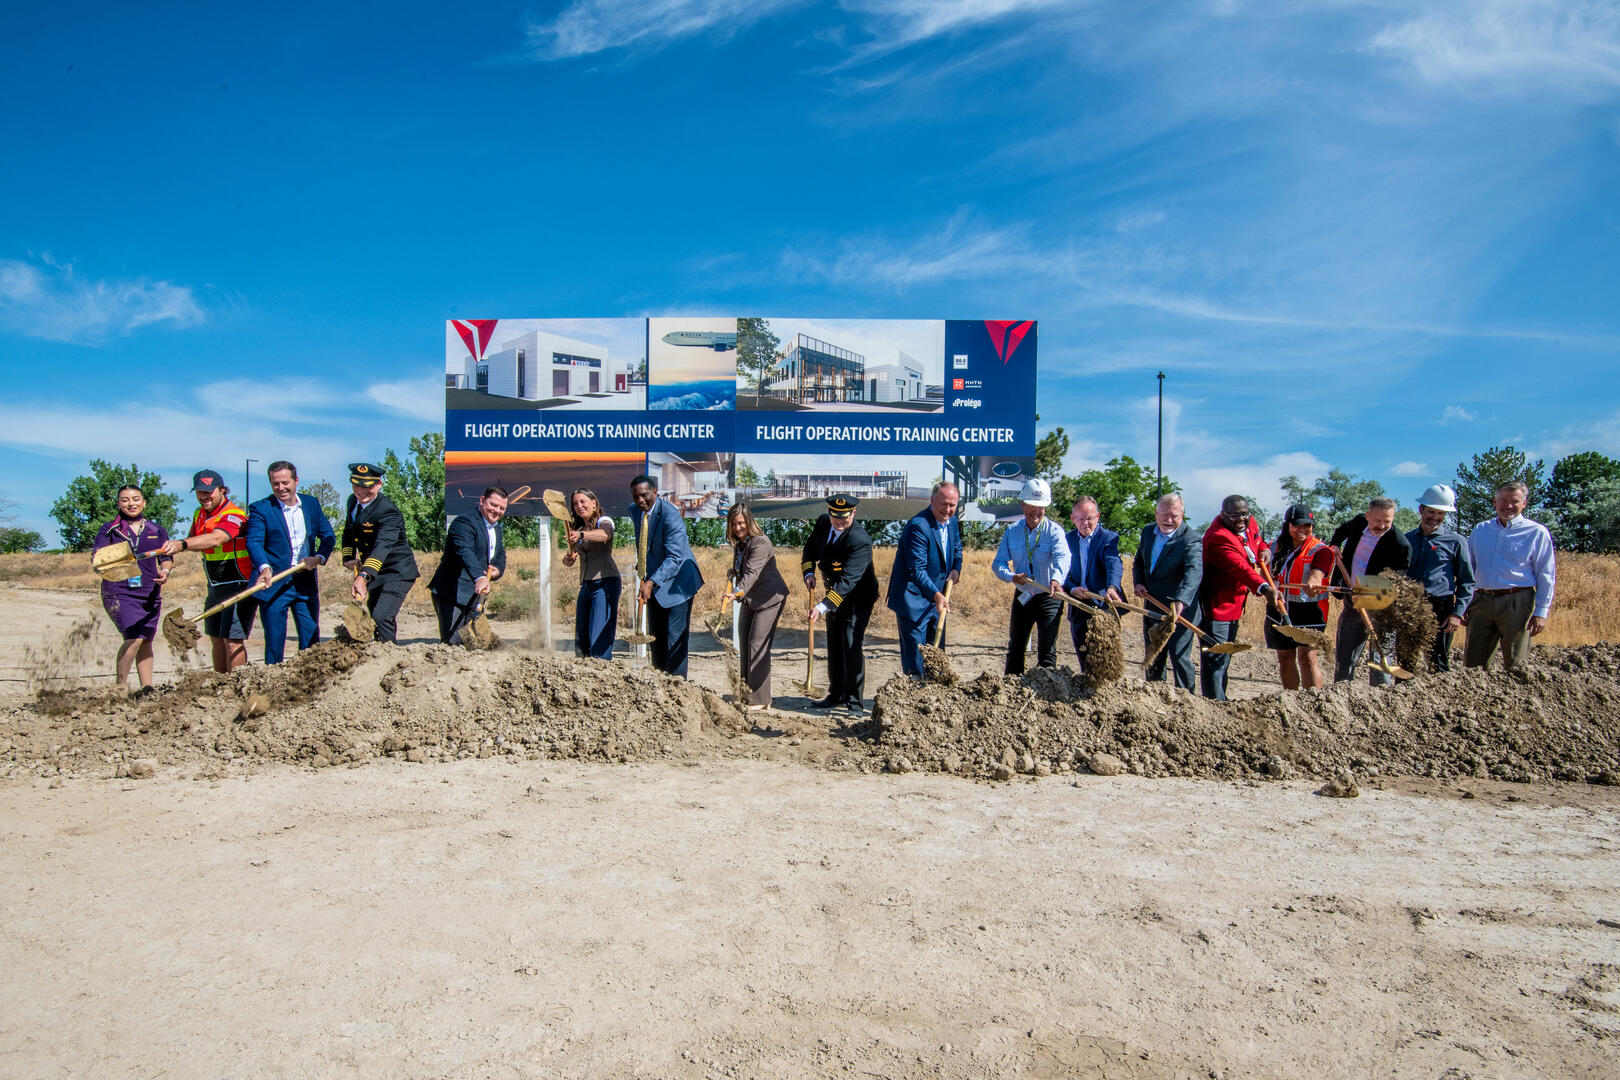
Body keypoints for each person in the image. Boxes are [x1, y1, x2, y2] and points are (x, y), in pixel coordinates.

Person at [158, 469, 255, 673]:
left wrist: (181, 544)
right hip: (215, 586)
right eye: (200, 492)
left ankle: (237, 683)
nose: (204, 497)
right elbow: (196, 541)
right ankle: (219, 683)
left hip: (238, 585)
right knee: (216, 638)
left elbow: (216, 538)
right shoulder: (198, 514)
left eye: (209, 492)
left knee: (232, 639)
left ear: (222, 490)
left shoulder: (234, 515)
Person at [244, 460, 336, 664]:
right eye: (275, 483)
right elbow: (254, 542)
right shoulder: (261, 509)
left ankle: (310, 686)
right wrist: (264, 567)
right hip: (274, 582)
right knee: (275, 642)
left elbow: (328, 535)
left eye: (285, 482)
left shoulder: (311, 504)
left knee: (311, 639)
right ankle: (272, 686)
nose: (281, 488)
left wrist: (319, 558)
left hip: (305, 583)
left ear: (296, 481)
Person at [1465, 481, 1555, 671]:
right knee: (1473, 666)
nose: (1508, 506)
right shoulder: (1480, 530)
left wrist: (1541, 612)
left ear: (1524, 504)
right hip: (1481, 600)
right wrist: (1464, 603)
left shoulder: (1536, 532)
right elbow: (1470, 569)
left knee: (1516, 664)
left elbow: (1546, 574)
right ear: (1495, 502)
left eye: (1515, 501)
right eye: (1503, 500)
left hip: (1516, 600)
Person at [92, 485, 174, 692]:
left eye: (136, 499)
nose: (131, 503)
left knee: (146, 639)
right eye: (125, 500)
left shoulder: (156, 530)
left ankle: (147, 688)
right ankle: (119, 688)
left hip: (149, 592)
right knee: (135, 637)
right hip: (119, 591)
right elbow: (98, 559)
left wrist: (165, 572)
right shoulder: (109, 529)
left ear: (144, 502)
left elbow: (166, 557)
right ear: (118, 504)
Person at [804, 493, 879, 715]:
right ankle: (836, 694)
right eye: (835, 517)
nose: (838, 522)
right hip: (832, 595)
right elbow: (810, 549)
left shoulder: (860, 540)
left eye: (844, 518)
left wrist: (821, 606)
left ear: (853, 513)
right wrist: (808, 571)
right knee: (834, 644)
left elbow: (848, 583)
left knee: (850, 645)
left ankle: (855, 703)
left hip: (858, 598)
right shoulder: (822, 523)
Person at [1329, 496, 1412, 686]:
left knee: (1380, 659)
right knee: (1345, 653)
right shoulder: (1358, 523)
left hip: (1381, 606)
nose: (1382, 526)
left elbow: (1396, 581)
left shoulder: (1400, 545)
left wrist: (1367, 591)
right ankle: (1341, 691)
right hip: (1352, 598)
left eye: (1387, 522)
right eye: (1377, 521)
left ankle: (1380, 695)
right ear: (1367, 516)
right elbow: (1341, 531)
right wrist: (1334, 544)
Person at [1198, 495, 1275, 700]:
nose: (1241, 519)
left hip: (1236, 605)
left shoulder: (1246, 521)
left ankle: (1221, 700)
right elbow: (1241, 569)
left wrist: (1264, 548)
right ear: (1222, 514)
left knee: (1225, 658)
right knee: (1216, 657)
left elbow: (1256, 538)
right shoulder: (1218, 537)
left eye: (1244, 514)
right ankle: (1214, 702)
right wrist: (1265, 589)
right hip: (1217, 607)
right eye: (1234, 515)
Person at [993, 478, 1071, 675]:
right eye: (1032, 506)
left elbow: (1063, 556)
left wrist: (1056, 579)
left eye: (1041, 507)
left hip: (1049, 596)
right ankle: (1011, 687)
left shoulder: (1054, 531)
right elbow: (998, 562)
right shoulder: (1012, 531)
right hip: (1024, 595)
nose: (1036, 512)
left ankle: (1046, 687)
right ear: (1022, 504)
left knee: (1047, 648)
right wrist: (1011, 576)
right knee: (1016, 645)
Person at [886, 482, 963, 678]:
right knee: (916, 660)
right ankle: (913, 698)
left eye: (952, 505)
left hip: (937, 597)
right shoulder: (918, 527)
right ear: (932, 501)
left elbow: (956, 549)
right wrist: (936, 595)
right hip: (912, 599)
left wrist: (956, 569)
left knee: (936, 656)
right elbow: (916, 571)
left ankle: (933, 698)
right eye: (943, 504)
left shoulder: (952, 521)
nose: (947, 510)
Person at [630, 475, 703, 677]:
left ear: (655, 492)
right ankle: (661, 685)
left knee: (674, 640)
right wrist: (644, 574)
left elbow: (675, 557)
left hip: (679, 583)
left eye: (644, 495)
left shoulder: (670, 514)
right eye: (636, 497)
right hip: (655, 582)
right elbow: (645, 545)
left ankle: (678, 689)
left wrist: (652, 581)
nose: (640, 501)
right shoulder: (635, 511)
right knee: (656, 638)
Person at [341, 462, 420, 645]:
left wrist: (362, 577)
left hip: (396, 571)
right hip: (374, 570)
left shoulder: (388, 511)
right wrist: (348, 557)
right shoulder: (352, 502)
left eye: (366, 487)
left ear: (378, 484)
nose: (360, 491)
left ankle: (387, 656)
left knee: (382, 615)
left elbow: (382, 546)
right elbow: (348, 531)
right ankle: (376, 651)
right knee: (374, 610)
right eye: (356, 485)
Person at [1132, 492, 1203, 690]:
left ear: (1183, 514)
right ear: (1156, 514)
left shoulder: (1191, 539)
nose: (1169, 520)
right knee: (1154, 655)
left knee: (1179, 657)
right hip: (1152, 605)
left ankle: (1186, 700)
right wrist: (1138, 582)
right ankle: (1154, 694)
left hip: (1179, 610)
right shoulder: (1148, 532)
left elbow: (1194, 573)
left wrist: (1181, 600)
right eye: (1164, 515)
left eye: (1174, 516)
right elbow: (1139, 561)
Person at [1265, 504, 1336, 690]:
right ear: (1287, 525)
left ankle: (1312, 700)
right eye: (1298, 525)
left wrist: (1313, 583)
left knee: (1308, 657)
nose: (1303, 530)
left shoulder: (1321, 550)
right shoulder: (1273, 547)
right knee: (1285, 656)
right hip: (1278, 609)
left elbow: (1318, 573)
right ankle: (1292, 699)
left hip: (1309, 612)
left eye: (1307, 525)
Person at [725, 503, 789, 710]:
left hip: (770, 598)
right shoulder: (740, 544)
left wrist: (737, 592)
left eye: (741, 523)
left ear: (749, 522)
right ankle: (745, 694)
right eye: (734, 524)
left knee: (757, 643)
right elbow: (743, 568)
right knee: (744, 642)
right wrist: (733, 572)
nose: (738, 527)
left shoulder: (761, 542)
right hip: (751, 598)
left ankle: (761, 700)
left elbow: (752, 573)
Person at [1406, 484, 1475, 673]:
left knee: (1438, 663)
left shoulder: (1456, 542)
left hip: (1441, 609)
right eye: (1431, 512)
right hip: (1410, 607)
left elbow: (1467, 581)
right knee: (1405, 661)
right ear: (1421, 510)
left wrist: (1457, 613)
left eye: (1440, 514)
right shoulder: (1407, 540)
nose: (1435, 518)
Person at [428, 485, 507, 645]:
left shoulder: (496, 528)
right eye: (493, 505)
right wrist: (479, 577)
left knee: (477, 643)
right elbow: (465, 552)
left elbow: (499, 553)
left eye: (502, 508)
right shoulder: (464, 523)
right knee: (454, 644)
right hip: (452, 593)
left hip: (475, 596)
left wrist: (498, 569)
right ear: (482, 500)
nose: (497, 510)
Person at [1061, 497, 1124, 673]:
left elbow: (1114, 563)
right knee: (1083, 651)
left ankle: (1105, 692)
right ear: (1073, 518)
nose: (1085, 523)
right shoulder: (1066, 540)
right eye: (1080, 518)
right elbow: (1061, 571)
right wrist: (1072, 588)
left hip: (1103, 604)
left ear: (1097, 516)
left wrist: (1112, 587)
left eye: (1089, 518)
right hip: (1078, 603)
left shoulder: (1109, 538)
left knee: (1105, 654)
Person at [561, 488, 619, 659]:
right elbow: (569, 558)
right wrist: (568, 559)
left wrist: (580, 534)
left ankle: (602, 676)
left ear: (594, 503)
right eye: (575, 503)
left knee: (598, 638)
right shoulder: (577, 527)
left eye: (583, 501)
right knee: (581, 640)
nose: (579, 506)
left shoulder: (604, 521)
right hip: (586, 585)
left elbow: (605, 535)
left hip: (605, 583)